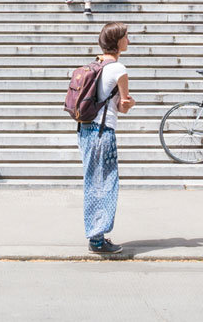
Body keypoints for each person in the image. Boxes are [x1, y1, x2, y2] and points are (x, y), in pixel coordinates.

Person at [79, 22, 133, 255]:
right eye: (126, 37)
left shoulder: (95, 65)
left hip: (85, 130)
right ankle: (97, 239)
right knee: (105, 184)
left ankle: (96, 234)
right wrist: (131, 103)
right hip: (103, 132)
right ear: (117, 42)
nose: (129, 41)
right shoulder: (119, 69)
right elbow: (123, 106)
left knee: (93, 182)